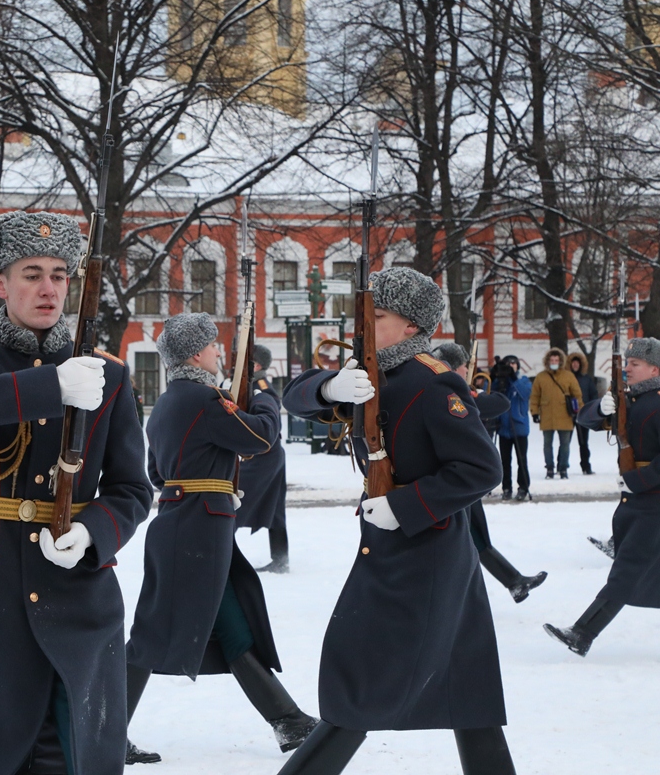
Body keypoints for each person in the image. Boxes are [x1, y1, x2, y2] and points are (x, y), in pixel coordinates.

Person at [0, 210, 152, 775]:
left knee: (67, 748)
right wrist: (50, 385)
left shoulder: (107, 375)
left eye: (60, 274)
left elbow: (132, 488)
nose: (48, 288)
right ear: (0, 284)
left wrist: (96, 531)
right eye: (31, 273)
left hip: (78, 587)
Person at [279, 268, 512, 775]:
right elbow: (293, 397)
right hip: (411, 552)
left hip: (421, 554)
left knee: (361, 681)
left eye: (376, 317)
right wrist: (328, 387)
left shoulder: (432, 383)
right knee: (464, 691)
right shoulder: (370, 375)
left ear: (412, 327)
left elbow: (480, 468)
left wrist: (404, 507)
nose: (363, 327)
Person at [124, 315, 317, 766]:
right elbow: (262, 436)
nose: (218, 353)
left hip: (190, 526)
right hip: (196, 529)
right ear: (195, 354)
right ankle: (100, 727)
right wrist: (266, 394)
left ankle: (287, 718)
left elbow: (158, 473)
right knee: (150, 636)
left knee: (233, 628)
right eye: (212, 346)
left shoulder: (172, 399)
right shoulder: (205, 399)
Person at [544, 337, 660, 656]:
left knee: (628, 571)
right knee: (634, 570)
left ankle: (583, 633)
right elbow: (584, 419)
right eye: (628, 364)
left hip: (652, 501)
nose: (629, 369)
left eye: (636, 364)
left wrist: (636, 480)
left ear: (654, 368)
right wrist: (600, 407)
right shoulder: (628, 400)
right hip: (638, 503)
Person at [434, 343, 547, 604]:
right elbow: (497, 404)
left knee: (476, 536)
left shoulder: (454, 390)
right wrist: (470, 393)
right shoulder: (449, 393)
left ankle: (514, 582)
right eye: (464, 368)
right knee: (465, 539)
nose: (466, 371)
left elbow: (501, 402)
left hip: (463, 476)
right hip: (453, 477)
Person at [235, 343, 291, 573]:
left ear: (256, 364)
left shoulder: (260, 386)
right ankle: (280, 560)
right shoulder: (250, 385)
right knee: (275, 509)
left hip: (263, 455)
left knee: (236, 502)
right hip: (270, 453)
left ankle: (222, 554)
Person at [530, 347, 583, 479]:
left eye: (556, 360)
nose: (554, 362)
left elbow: (577, 395)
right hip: (547, 414)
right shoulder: (541, 377)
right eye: (552, 360)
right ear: (547, 361)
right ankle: (549, 468)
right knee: (547, 444)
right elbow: (535, 396)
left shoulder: (568, 376)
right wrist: (535, 412)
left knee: (565, 444)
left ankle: (563, 468)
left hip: (565, 414)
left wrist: (579, 411)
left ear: (561, 362)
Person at [492, 355, 532, 500]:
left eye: (514, 364)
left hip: (519, 427)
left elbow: (525, 393)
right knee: (504, 461)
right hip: (504, 427)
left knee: (521, 460)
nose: (511, 366)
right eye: (508, 364)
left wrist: (513, 378)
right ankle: (506, 487)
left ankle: (523, 487)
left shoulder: (523, 380)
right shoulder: (502, 382)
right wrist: (495, 375)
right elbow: (491, 392)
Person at [568, 351, 598, 475]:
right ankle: (561, 466)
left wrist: (591, 409)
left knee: (583, 442)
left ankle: (586, 466)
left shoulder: (586, 379)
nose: (575, 365)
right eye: (573, 363)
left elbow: (593, 394)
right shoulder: (566, 378)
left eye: (577, 363)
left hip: (583, 413)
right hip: (568, 414)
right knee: (565, 442)